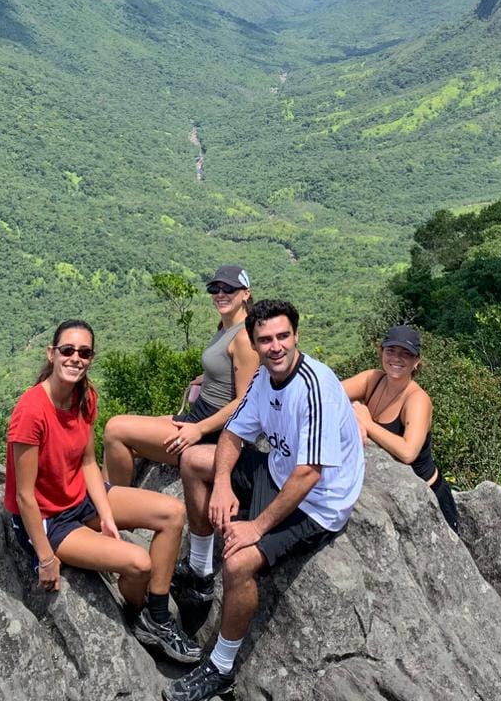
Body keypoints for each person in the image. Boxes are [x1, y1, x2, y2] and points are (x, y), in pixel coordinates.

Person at [166, 299, 363, 701]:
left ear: (296, 337)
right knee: (193, 460)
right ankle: (200, 573)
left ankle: (221, 668)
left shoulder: (315, 387)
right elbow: (234, 435)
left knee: (238, 561)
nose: (276, 347)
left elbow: (310, 473)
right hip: (277, 470)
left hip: (318, 502)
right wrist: (222, 482)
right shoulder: (262, 380)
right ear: (253, 344)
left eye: (283, 337)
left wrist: (256, 527)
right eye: (266, 339)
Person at [5, 318, 201, 665]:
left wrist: (108, 518)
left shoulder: (84, 396)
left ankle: (155, 616)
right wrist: (47, 558)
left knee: (173, 513)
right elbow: (24, 496)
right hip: (50, 519)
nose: (75, 358)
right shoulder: (31, 411)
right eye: (67, 350)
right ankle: (137, 610)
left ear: (91, 357)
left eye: (84, 352)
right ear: (51, 354)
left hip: (80, 497)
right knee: (139, 563)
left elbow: (88, 464)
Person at [102, 264, 260, 489]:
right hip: (198, 417)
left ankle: (116, 507)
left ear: (246, 293)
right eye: (215, 289)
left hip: (211, 431)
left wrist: (199, 430)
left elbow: (244, 402)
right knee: (117, 445)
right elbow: (230, 369)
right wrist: (208, 377)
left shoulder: (244, 337)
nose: (220, 294)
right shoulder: (226, 327)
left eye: (229, 288)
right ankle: (100, 504)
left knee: (115, 429)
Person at [343, 324, 459, 532]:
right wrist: (353, 413)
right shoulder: (373, 379)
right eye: (391, 351)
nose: (396, 359)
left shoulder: (417, 400)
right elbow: (325, 395)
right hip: (388, 494)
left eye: (406, 354)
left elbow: (408, 452)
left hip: (427, 497)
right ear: (381, 352)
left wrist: (367, 423)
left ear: (416, 361)